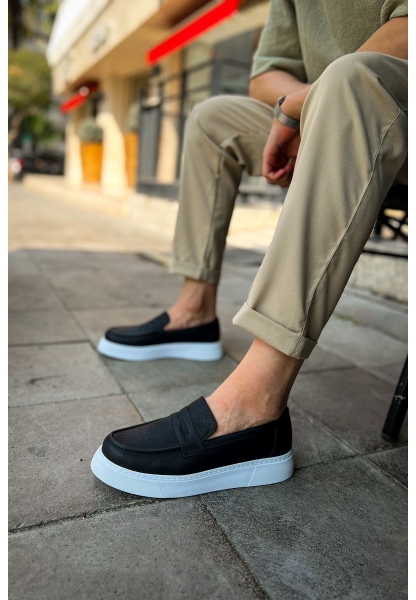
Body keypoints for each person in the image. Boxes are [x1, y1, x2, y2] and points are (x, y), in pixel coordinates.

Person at [91, 1, 408, 499]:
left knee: (351, 80)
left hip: (388, 109)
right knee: (213, 117)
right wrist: (299, 108)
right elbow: (264, 76)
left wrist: (304, 105)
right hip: (327, 113)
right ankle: (193, 313)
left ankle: (256, 404)